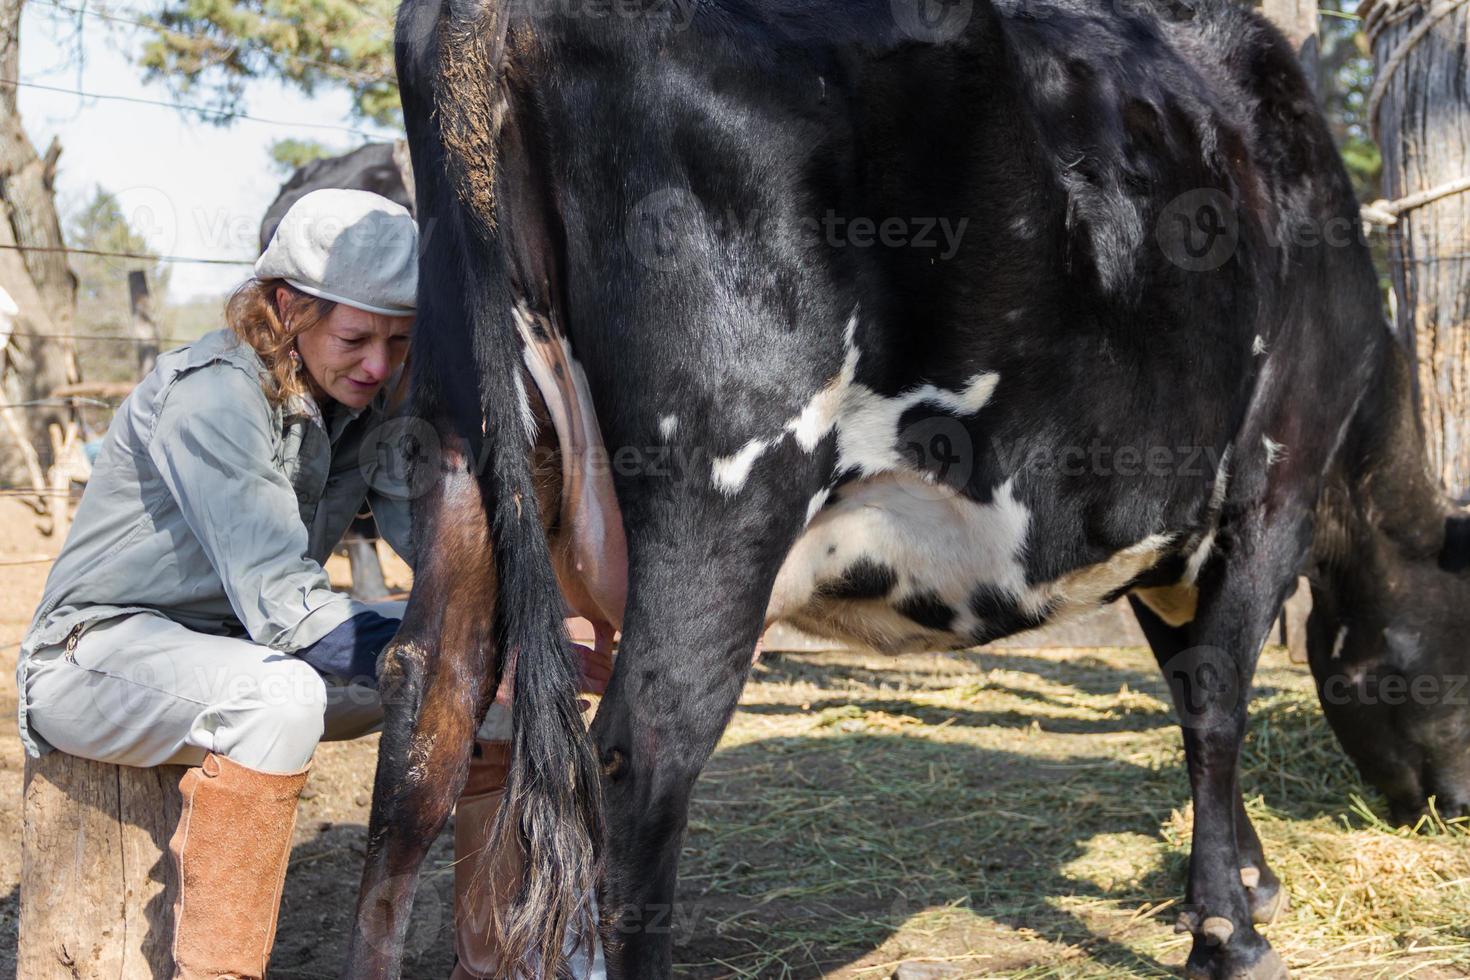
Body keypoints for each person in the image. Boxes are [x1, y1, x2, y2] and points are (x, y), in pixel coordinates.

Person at [15, 189, 608, 979]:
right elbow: (289, 612)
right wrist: (460, 656)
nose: (379, 365)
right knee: (290, 697)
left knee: (491, 699)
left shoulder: (362, 401)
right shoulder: (213, 395)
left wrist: (527, 636)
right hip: (97, 655)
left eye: (400, 344)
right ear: (288, 308)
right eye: (357, 337)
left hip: (244, 657)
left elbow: (438, 556)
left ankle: (502, 965)